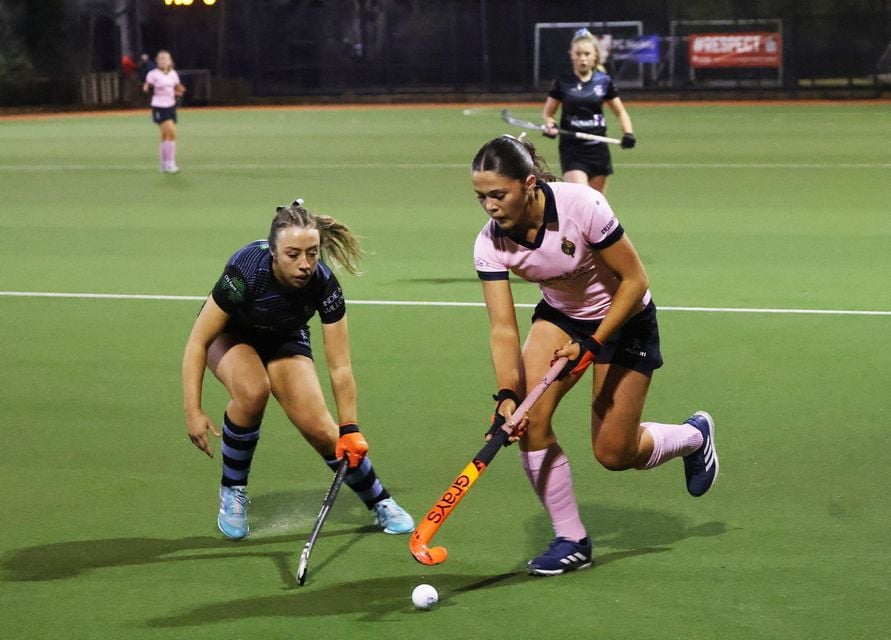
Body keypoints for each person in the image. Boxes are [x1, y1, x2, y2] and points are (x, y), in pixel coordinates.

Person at [471, 135, 718, 576]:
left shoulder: (581, 205)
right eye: (480, 197)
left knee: (613, 453)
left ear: (528, 184)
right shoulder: (490, 243)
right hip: (562, 316)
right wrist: (508, 393)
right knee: (529, 421)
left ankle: (693, 437)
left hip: (624, 318)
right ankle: (572, 540)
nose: (489, 206)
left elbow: (635, 280)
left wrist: (593, 344)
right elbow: (503, 328)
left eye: (498, 194)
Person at [182, 199, 415, 540]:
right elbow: (197, 342)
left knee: (322, 429)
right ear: (273, 252)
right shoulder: (246, 271)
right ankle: (233, 490)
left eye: (312, 253)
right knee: (252, 390)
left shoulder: (324, 284)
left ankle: (379, 501)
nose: (305, 264)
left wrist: (350, 427)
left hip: (284, 336)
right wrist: (193, 409)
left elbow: (340, 366)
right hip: (231, 334)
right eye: (293, 254)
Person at [542, 29, 636, 194]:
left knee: (597, 206)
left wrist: (628, 133)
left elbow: (620, 111)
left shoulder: (604, 81)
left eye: (586, 54)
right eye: (578, 54)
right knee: (582, 197)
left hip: (598, 147)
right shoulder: (563, 82)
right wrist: (551, 125)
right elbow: (549, 113)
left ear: (595, 55)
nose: (582, 58)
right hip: (572, 149)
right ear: (571, 55)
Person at [142, 50, 185, 174]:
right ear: (157, 61)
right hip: (159, 106)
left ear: (170, 61)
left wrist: (180, 91)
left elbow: (178, 87)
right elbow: (147, 86)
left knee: (167, 135)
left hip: (171, 106)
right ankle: (170, 163)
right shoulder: (153, 74)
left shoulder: (173, 74)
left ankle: (165, 163)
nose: (163, 61)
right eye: (160, 59)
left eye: (165, 58)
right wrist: (147, 88)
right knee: (171, 131)